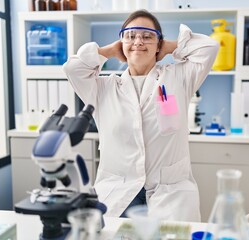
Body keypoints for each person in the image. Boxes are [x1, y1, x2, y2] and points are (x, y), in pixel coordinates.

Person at [63, 9, 219, 222]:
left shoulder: (179, 77)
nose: (138, 41)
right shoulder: (103, 88)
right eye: (130, 36)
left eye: (147, 36)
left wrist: (170, 47)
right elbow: (73, 69)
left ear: (159, 44)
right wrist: (108, 51)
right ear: (121, 43)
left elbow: (209, 47)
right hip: (119, 193)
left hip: (170, 194)